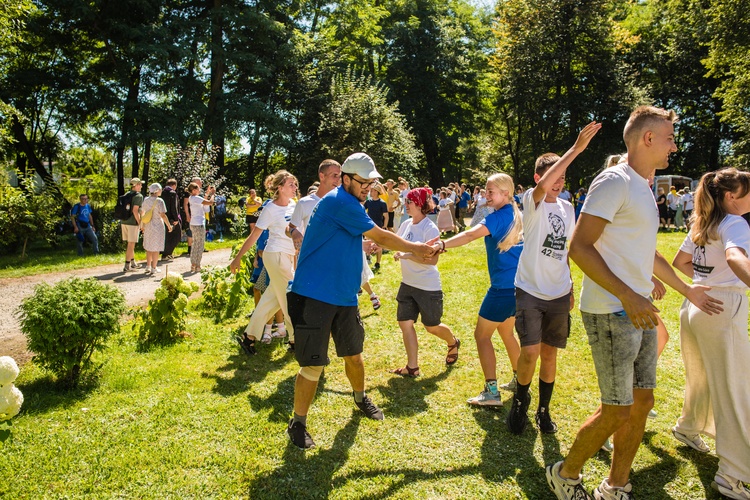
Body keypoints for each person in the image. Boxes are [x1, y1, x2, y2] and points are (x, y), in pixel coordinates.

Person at [546, 106, 723, 500]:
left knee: (642, 402)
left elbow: (648, 253)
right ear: (647, 138)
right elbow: (579, 246)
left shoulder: (642, 185)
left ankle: (616, 485)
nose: (674, 147)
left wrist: (687, 289)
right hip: (611, 310)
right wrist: (629, 295)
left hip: (636, 309)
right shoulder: (614, 181)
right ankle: (565, 474)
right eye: (670, 138)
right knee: (617, 409)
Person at [285, 152, 437, 449]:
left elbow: (353, 237)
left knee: (353, 355)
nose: (369, 185)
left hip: (343, 296)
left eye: (372, 181)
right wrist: (416, 248)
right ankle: (298, 422)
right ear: (346, 179)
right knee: (313, 367)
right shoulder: (339, 201)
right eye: (363, 181)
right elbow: (381, 235)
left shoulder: (351, 203)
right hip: (314, 294)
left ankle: (359, 397)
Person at [507, 121, 601, 435]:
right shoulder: (530, 202)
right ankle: (520, 401)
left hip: (559, 292)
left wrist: (571, 285)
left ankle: (543, 411)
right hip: (530, 290)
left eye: (563, 177)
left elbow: (565, 250)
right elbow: (542, 188)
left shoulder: (567, 208)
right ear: (539, 178)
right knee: (530, 351)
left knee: (549, 353)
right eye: (554, 176)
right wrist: (575, 149)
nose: (559, 182)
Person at [671, 168, 750, 500]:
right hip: (719, 308)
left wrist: (702, 284)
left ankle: (688, 428)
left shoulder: (705, 222)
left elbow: (680, 260)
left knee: (702, 377)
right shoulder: (735, 223)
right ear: (731, 197)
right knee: (734, 388)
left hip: (697, 306)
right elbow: (734, 257)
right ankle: (733, 473)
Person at [430, 173, 523, 406]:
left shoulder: (499, 216)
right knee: (506, 333)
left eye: (491, 192)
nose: (486, 195)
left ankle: (491, 392)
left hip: (502, 289)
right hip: (519, 288)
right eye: (486, 191)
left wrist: (442, 244)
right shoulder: (515, 213)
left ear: (506, 193)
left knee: (481, 336)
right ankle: (520, 380)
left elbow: (471, 234)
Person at [390, 187, 459, 377]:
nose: (406, 205)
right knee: (405, 323)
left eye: (409, 202)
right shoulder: (406, 225)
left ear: (420, 204)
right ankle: (412, 367)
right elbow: (395, 242)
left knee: (431, 326)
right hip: (408, 284)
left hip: (427, 287)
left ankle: (453, 342)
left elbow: (432, 260)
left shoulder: (430, 228)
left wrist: (406, 255)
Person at [232, 171, 297, 355]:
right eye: (291, 185)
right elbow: (254, 235)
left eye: (295, 184)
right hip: (275, 255)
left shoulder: (293, 205)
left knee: (272, 298)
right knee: (289, 297)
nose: (295, 188)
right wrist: (237, 258)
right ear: (280, 187)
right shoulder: (270, 208)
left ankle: (249, 336)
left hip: (288, 256)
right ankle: (295, 339)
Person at [140, 183, 173, 275]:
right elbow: (162, 215)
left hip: (148, 225)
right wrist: (169, 225)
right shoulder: (160, 201)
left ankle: (148, 266)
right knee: (156, 247)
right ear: (157, 190)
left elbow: (142, 213)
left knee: (149, 246)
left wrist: (142, 225)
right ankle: (154, 267)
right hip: (158, 226)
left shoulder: (146, 200)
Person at [187, 182, 215, 273]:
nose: (200, 190)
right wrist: (213, 194)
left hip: (193, 223)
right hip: (199, 224)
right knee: (200, 245)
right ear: (194, 190)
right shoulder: (196, 198)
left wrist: (207, 193)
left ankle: (193, 263)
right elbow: (210, 203)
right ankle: (197, 264)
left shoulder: (192, 198)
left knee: (195, 244)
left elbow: (203, 200)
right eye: (198, 189)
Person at [121, 178, 144, 272]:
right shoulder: (138, 196)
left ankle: (133, 262)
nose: (141, 186)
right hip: (132, 223)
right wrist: (140, 223)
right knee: (131, 244)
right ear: (136, 185)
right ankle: (127, 265)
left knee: (130, 243)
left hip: (124, 221)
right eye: (140, 184)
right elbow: (135, 211)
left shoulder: (127, 194)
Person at [364, 185, 388, 271]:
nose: (371, 192)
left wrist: (384, 226)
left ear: (377, 192)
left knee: (378, 245)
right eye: (371, 191)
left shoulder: (382, 203)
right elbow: (362, 211)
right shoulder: (368, 202)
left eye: (373, 191)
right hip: (368, 226)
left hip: (378, 226)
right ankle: (368, 258)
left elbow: (386, 215)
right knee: (367, 242)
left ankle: (378, 263)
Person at [160, 179, 181, 260]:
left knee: (167, 236)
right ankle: (167, 253)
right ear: (174, 185)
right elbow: (174, 207)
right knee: (176, 236)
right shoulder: (172, 193)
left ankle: (165, 253)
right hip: (172, 218)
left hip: (163, 216)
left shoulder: (162, 192)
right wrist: (176, 218)